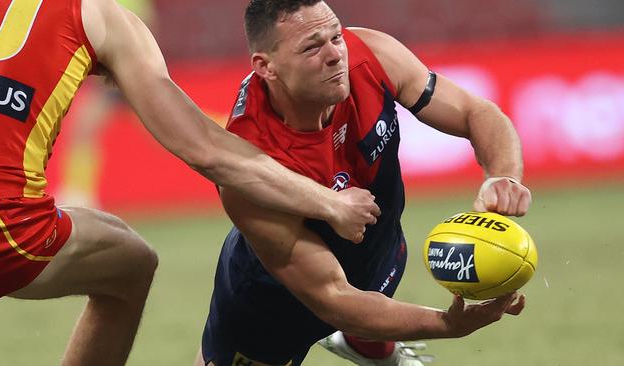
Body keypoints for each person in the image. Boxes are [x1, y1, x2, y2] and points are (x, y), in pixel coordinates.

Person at [0, 1, 380, 365]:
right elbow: (206, 151)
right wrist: (330, 203)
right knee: (131, 265)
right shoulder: (100, 17)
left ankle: (77, 186)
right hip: (2, 228)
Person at [197, 1, 533, 365]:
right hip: (273, 306)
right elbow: (333, 298)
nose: (335, 55)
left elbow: (474, 111)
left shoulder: (369, 54)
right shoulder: (247, 163)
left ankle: (367, 345)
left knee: (373, 295)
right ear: (266, 67)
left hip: (378, 250)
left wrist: (503, 175)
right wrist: (447, 324)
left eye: (335, 36)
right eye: (312, 47)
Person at [57, 0, 156, 208]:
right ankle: (79, 195)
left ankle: (79, 195)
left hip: (124, 73)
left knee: (168, 129)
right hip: (118, 74)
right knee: (84, 129)